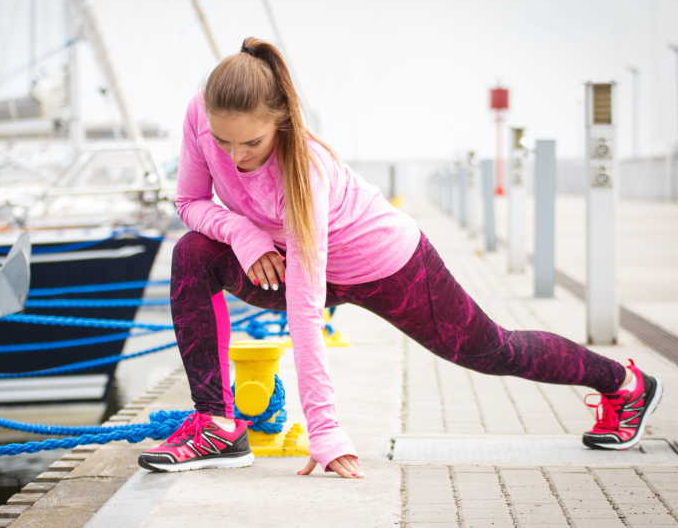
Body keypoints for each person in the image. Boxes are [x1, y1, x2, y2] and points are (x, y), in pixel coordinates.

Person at [137, 37, 663, 478]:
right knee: (194, 253)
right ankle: (218, 425)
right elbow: (189, 202)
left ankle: (625, 384)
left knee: (491, 350)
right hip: (275, 255)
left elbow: (304, 309)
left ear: (280, 121)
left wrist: (325, 430)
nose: (236, 157)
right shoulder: (199, 113)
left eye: (250, 142)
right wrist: (242, 231)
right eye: (223, 143)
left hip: (387, 265)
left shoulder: (307, 171)